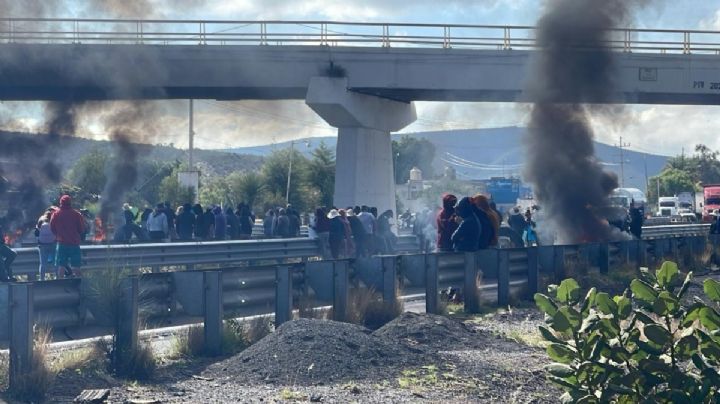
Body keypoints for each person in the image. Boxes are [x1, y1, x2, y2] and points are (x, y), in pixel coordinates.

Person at [50, 195, 86, 278]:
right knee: (76, 266)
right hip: (74, 243)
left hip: (62, 243)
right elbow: (81, 229)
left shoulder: (56, 214)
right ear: (70, 203)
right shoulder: (76, 214)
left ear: (60, 203)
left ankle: (60, 284)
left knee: (61, 265)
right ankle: (79, 284)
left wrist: (58, 234)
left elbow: (52, 228)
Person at [36, 208, 57, 280]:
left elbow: (36, 233)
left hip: (42, 245)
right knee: (55, 262)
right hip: (53, 244)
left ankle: (42, 278)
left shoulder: (40, 221)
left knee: (43, 263)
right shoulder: (54, 222)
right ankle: (57, 276)